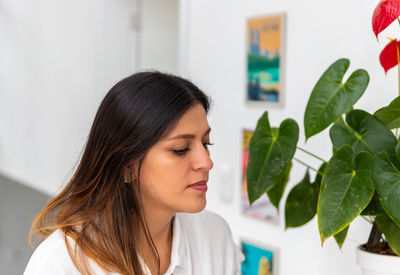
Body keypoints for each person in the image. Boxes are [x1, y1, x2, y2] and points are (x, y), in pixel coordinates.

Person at [24, 71, 244, 275]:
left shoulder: (216, 237)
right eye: (180, 149)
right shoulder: (60, 264)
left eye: (206, 143)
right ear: (126, 165)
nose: (206, 162)